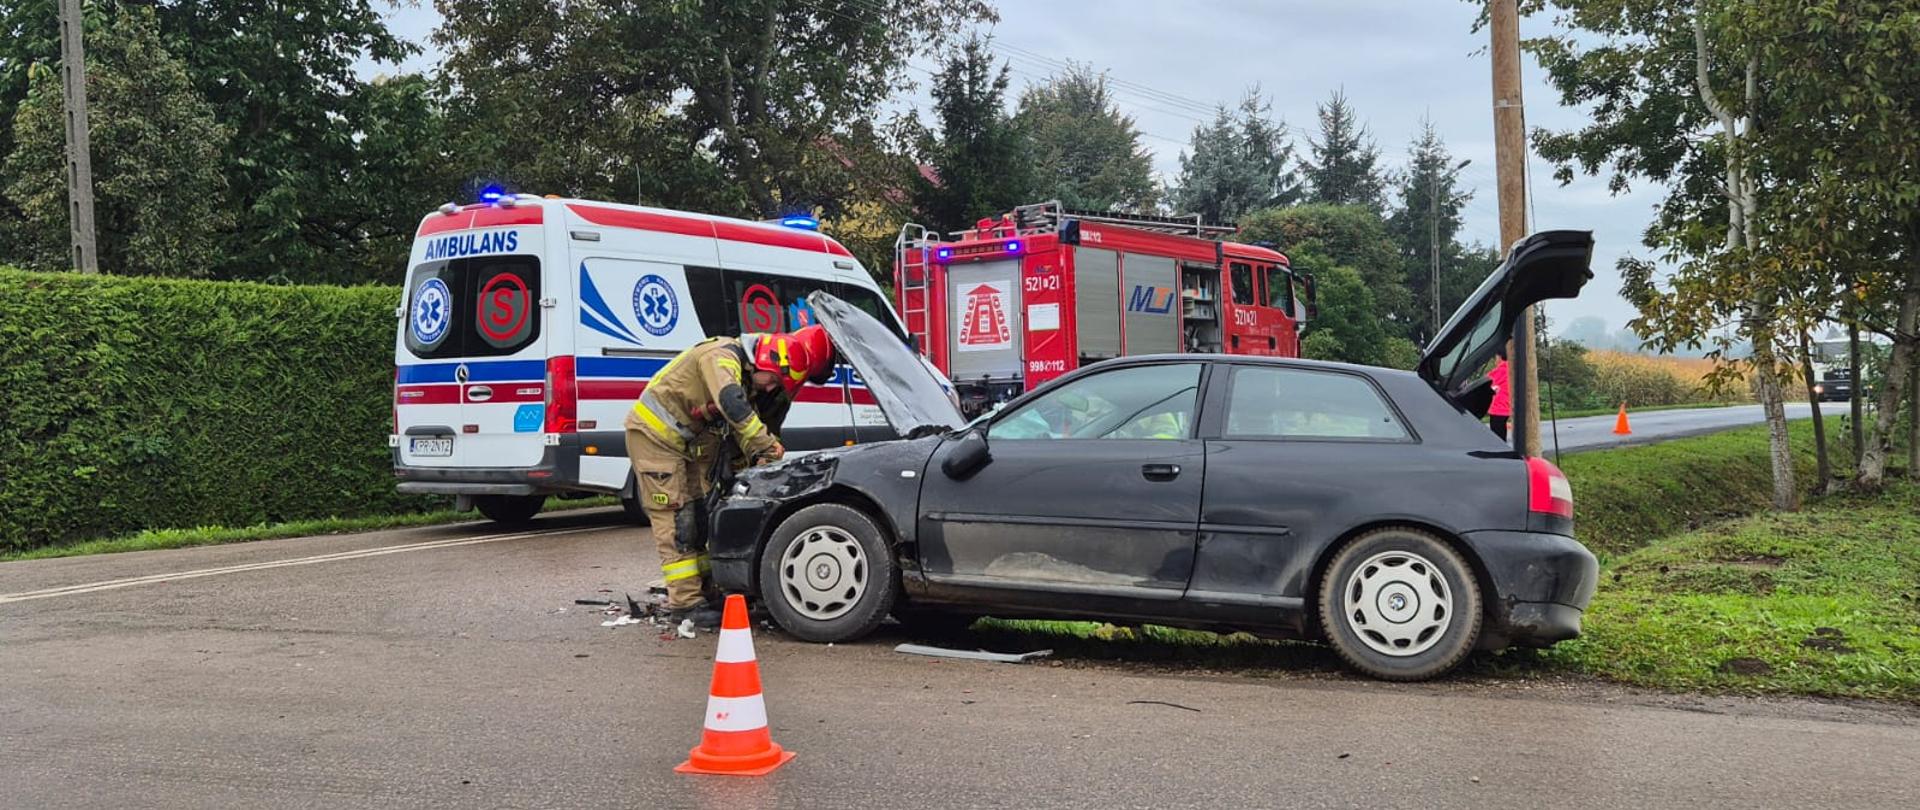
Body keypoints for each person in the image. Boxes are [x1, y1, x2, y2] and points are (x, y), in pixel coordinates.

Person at [625, 325, 834, 628]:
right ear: (764, 362)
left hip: (686, 444)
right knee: (676, 519)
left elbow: (742, 425)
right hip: (655, 439)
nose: (771, 389)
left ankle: (706, 593)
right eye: (773, 381)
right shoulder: (721, 356)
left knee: (698, 517)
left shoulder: (749, 373)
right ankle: (685, 604)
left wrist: (760, 458)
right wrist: (765, 444)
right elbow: (732, 404)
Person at [1488, 344, 1512, 441]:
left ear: (1499, 356)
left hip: (1498, 409)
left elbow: (1485, 383)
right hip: (1507, 408)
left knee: (1497, 438)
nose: (1495, 360)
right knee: (1502, 435)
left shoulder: (1500, 370)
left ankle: (1501, 454)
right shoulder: (1511, 369)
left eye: (1495, 357)